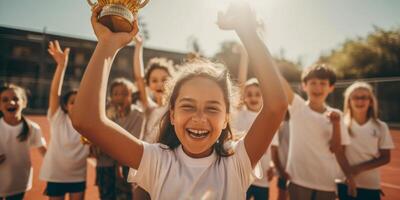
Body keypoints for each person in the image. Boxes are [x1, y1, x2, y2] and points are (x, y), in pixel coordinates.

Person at [70, 2, 287, 199]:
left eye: (212, 108)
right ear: (172, 114)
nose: (199, 118)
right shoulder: (156, 160)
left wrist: (247, 32)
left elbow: (276, 106)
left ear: (226, 118)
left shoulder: (237, 161)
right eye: (188, 106)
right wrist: (107, 45)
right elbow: (86, 121)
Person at [280, 63, 354, 200]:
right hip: (298, 181)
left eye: (323, 83)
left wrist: (349, 176)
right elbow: (278, 80)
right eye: (313, 83)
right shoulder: (298, 107)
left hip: (327, 184)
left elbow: (337, 149)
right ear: (304, 86)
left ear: (331, 87)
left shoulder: (337, 115)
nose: (318, 87)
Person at [39, 41, 89, 200]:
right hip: (55, 175)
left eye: (80, 101)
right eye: (73, 101)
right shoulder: (58, 118)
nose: (76, 104)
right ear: (66, 106)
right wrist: (61, 65)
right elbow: (55, 93)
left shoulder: (88, 124)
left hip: (78, 176)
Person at [337, 81, 394, 200]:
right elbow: (339, 153)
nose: (360, 101)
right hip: (344, 184)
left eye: (364, 97)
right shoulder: (341, 125)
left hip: (370, 186)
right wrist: (349, 175)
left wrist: (357, 169)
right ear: (349, 101)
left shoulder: (380, 126)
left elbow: (385, 157)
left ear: (371, 101)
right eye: (355, 97)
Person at [0, 84, 47, 200]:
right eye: (5, 100)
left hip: (19, 183)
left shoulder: (33, 128)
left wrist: (55, 176)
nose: (11, 103)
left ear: (24, 103)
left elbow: (45, 154)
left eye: (15, 99)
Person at [270, 112, 290, 200]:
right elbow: (274, 149)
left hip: (298, 172)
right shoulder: (281, 126)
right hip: (284, 171)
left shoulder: (300, 125)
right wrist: (280, 169)